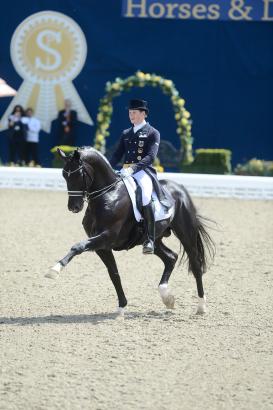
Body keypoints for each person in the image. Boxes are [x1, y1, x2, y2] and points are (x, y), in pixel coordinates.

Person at [110, 99, 169, 255]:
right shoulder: (126, 133)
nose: (131, 115)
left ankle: (149, 239)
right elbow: (116, 155)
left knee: (144, 196)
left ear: (143, 114)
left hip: (143, 171)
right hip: (125, 171)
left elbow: (150, 157)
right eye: (130, 113)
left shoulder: (152, 132)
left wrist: (133, 169)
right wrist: (107, 168)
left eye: (134, 113)